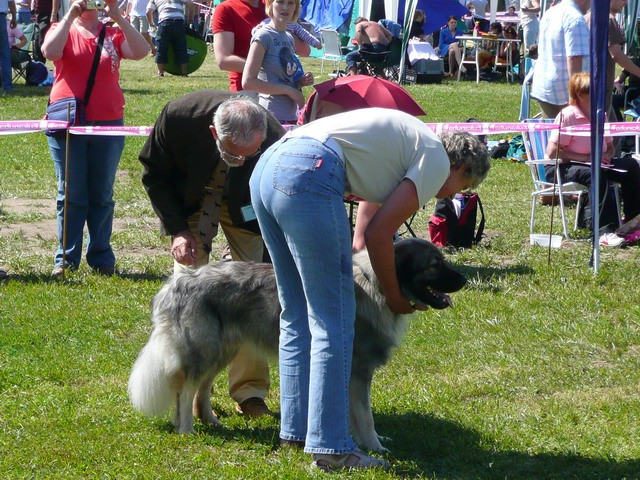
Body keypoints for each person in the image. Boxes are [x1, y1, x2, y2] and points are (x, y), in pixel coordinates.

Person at [250, 109, 490, 471]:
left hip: (268, 167)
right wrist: (395, 298)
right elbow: (380, 235)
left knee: (296, 313)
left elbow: (364, 234)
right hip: (309, 169)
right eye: (466, 187)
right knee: (334, 320)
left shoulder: (404, 148)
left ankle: (296, 432)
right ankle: (331, 448)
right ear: (462, 169)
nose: (458, 192)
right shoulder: (436, 161)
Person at [138, 92, 284, 418]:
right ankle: (184, 389)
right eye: (233, 156)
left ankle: (250, 393)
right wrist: (178, 229)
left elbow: (279, 190)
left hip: (246, 211)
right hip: (189, 202)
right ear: (214, 133)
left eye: (249, 156)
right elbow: (154, 174)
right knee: (188, 297)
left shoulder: (274, 135)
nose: (241, 162)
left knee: (255, 300)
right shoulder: (177, 115)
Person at [42, 0, 149, 276]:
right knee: (71, 193)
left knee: (102, 193)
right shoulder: (61, 28)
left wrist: (118, 16)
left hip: (109, 123)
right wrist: (70, 16)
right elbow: (49, 51)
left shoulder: (113, 33)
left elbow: (142, 51)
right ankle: (65, 259)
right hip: (67, 122)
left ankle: (101, 257)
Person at [545, 73, 640, 247]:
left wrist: (607, 156)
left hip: (594, 163)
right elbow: (552, 152)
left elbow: (610, 147)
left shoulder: (600, 114)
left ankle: (633, 221)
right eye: (591, 91)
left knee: (632, 165)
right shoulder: (567, 115)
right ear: (579, 94)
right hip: (563, 167)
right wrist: (587, 158)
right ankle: (604, 231)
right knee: (596, 173)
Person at [242, 0, 313, 124]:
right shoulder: (263, 35)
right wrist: (289, 90)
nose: (285, 7)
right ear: (270, 5)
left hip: (291, 117)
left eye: (290, 3)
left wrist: (299, 83)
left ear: (296, 8)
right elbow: (248, 82)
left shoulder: (289, 38)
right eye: (280, 2)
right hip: (271, 119)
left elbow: (284, 80)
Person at [531, 0, 590, 119]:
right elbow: (574, 58)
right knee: (574, 136)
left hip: (545, 87)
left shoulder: (550, 12)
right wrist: (576, 96)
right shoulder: (576, 19)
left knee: (552, 134)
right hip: (564, 92)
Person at [586, 0, 640, 124]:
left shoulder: (589, 17)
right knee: (604, 134)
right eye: (624, 0)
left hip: (588, 83)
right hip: (601, 86)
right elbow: (617, 55)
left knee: (612, 136)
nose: (626, 4)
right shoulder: (609, 20)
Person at [212, 0, 267, 93]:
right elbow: (224, 60)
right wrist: (271, 69)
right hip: (247, 88)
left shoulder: (274, 5)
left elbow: (300, 48)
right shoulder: (226, 8)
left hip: (280, 85)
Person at [146, 0, 191, 77]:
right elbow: (190, 3)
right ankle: (184, 72)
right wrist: (190, 17)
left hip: (164, 23)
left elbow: (148, 11)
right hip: (179, 23)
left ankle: (160, 73)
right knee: (181, 47)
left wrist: (151, 23)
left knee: (161, 48)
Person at [1, 0, 17, 95]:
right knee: (4, 55)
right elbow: (11, 3)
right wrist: (14, 18)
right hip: (1, 17)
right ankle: (7, 86)